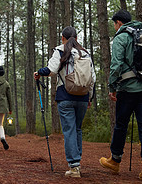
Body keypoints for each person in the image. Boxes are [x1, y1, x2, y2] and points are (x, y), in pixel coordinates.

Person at [99, 9, 142, 180]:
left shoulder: (121, 37)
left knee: (121, 125)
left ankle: (114, 161)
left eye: (114, 24)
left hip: (128, 89)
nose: (114, 27)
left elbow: (116, 64)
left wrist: (112, 86)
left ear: (118, 23)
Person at [34, 26, 96, 178]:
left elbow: (52, 70)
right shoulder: (85, 53)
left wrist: (38, 73)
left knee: (69, 130)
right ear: (76, 38)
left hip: (65, 96)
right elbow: (92, 78)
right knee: (77, 130)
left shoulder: (60, 50)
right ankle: (76, 163)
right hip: (82, 97)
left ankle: (74, 166)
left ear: (63, 37)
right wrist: (90, 97)